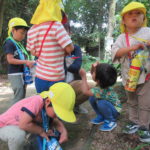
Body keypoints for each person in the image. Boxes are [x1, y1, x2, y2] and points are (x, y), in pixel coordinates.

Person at [111, 1, 150, 142]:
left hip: (146, 76)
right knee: (132, 101)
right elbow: (116, 52)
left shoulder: (148, 32)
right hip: (129, 77)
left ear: (143, 18)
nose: (134, 16)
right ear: (124, 20)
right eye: (130, 14)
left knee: (145, 103)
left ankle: (144, 127)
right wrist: (132, 48)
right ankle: (133, 122)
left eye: (138, 13)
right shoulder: (122, 37)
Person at [0, 82, 76, 150]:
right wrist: (41, 131)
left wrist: (63, 132)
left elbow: (56, 122)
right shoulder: (37, 101)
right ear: (48, 101)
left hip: (20, 125)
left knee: (46, 130)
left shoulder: (46, 106)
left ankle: (30, 145)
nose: (58, 116)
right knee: (18, 135)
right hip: (4, 125)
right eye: (57, 112)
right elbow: (23, 124)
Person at [26, 0, 74, 93]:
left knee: (43, 104)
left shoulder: (32, 30)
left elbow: (32, 51)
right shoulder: (56, 26)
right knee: (56, 105)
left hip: (40, 77)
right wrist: (58, 52)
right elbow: (70, 48)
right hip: (56, 77)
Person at [79, 62, 121, 131]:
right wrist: (93, 68)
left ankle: (111, 120)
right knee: (92, 98)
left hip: (115, 111)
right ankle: (101, 116)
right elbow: (94, 77)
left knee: (101, 102)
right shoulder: (104, 84)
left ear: (98, 80)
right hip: (112, 107)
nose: (92, 73)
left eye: (94, 71)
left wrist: (83, 77)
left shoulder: (101, 91)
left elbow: (85, 91)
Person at [3, 17, 35, 104]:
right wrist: (26, 62)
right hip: (15, 73)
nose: (23, 36)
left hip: (22, 72)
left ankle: (19, 115)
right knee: (18, 96)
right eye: (21, 33)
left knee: (22, 95)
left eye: (25, 34)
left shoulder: (18, 43)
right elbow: (10, 60)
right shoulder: (9, 43)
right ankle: (12, 116)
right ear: (13, 31)